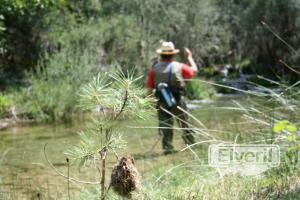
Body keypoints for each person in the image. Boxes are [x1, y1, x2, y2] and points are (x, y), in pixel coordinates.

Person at [146, 41, 198, 155]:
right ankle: (192, 146)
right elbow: (194, 70)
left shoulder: (153, 70)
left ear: (161, 55)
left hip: (161, 101)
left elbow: (149, 90)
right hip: (178, 100)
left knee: (166, 126)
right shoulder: (180, 67)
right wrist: (189, 57)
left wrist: (151, 104)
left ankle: (168, 149)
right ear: (173, 55)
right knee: (185, 124)